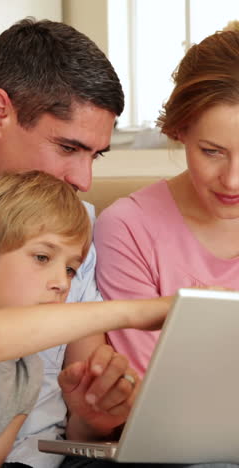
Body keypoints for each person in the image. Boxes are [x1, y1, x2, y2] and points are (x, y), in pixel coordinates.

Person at [0, 170, 173, 468]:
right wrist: (133, 311)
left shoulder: (28, 370)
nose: (62, 283)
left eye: (70, 269)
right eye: (42, 258)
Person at [94, 29, 239, 376]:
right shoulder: (129, 228)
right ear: (180, 131)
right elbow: (148, 389)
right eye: (212, 152)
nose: (233, 180)